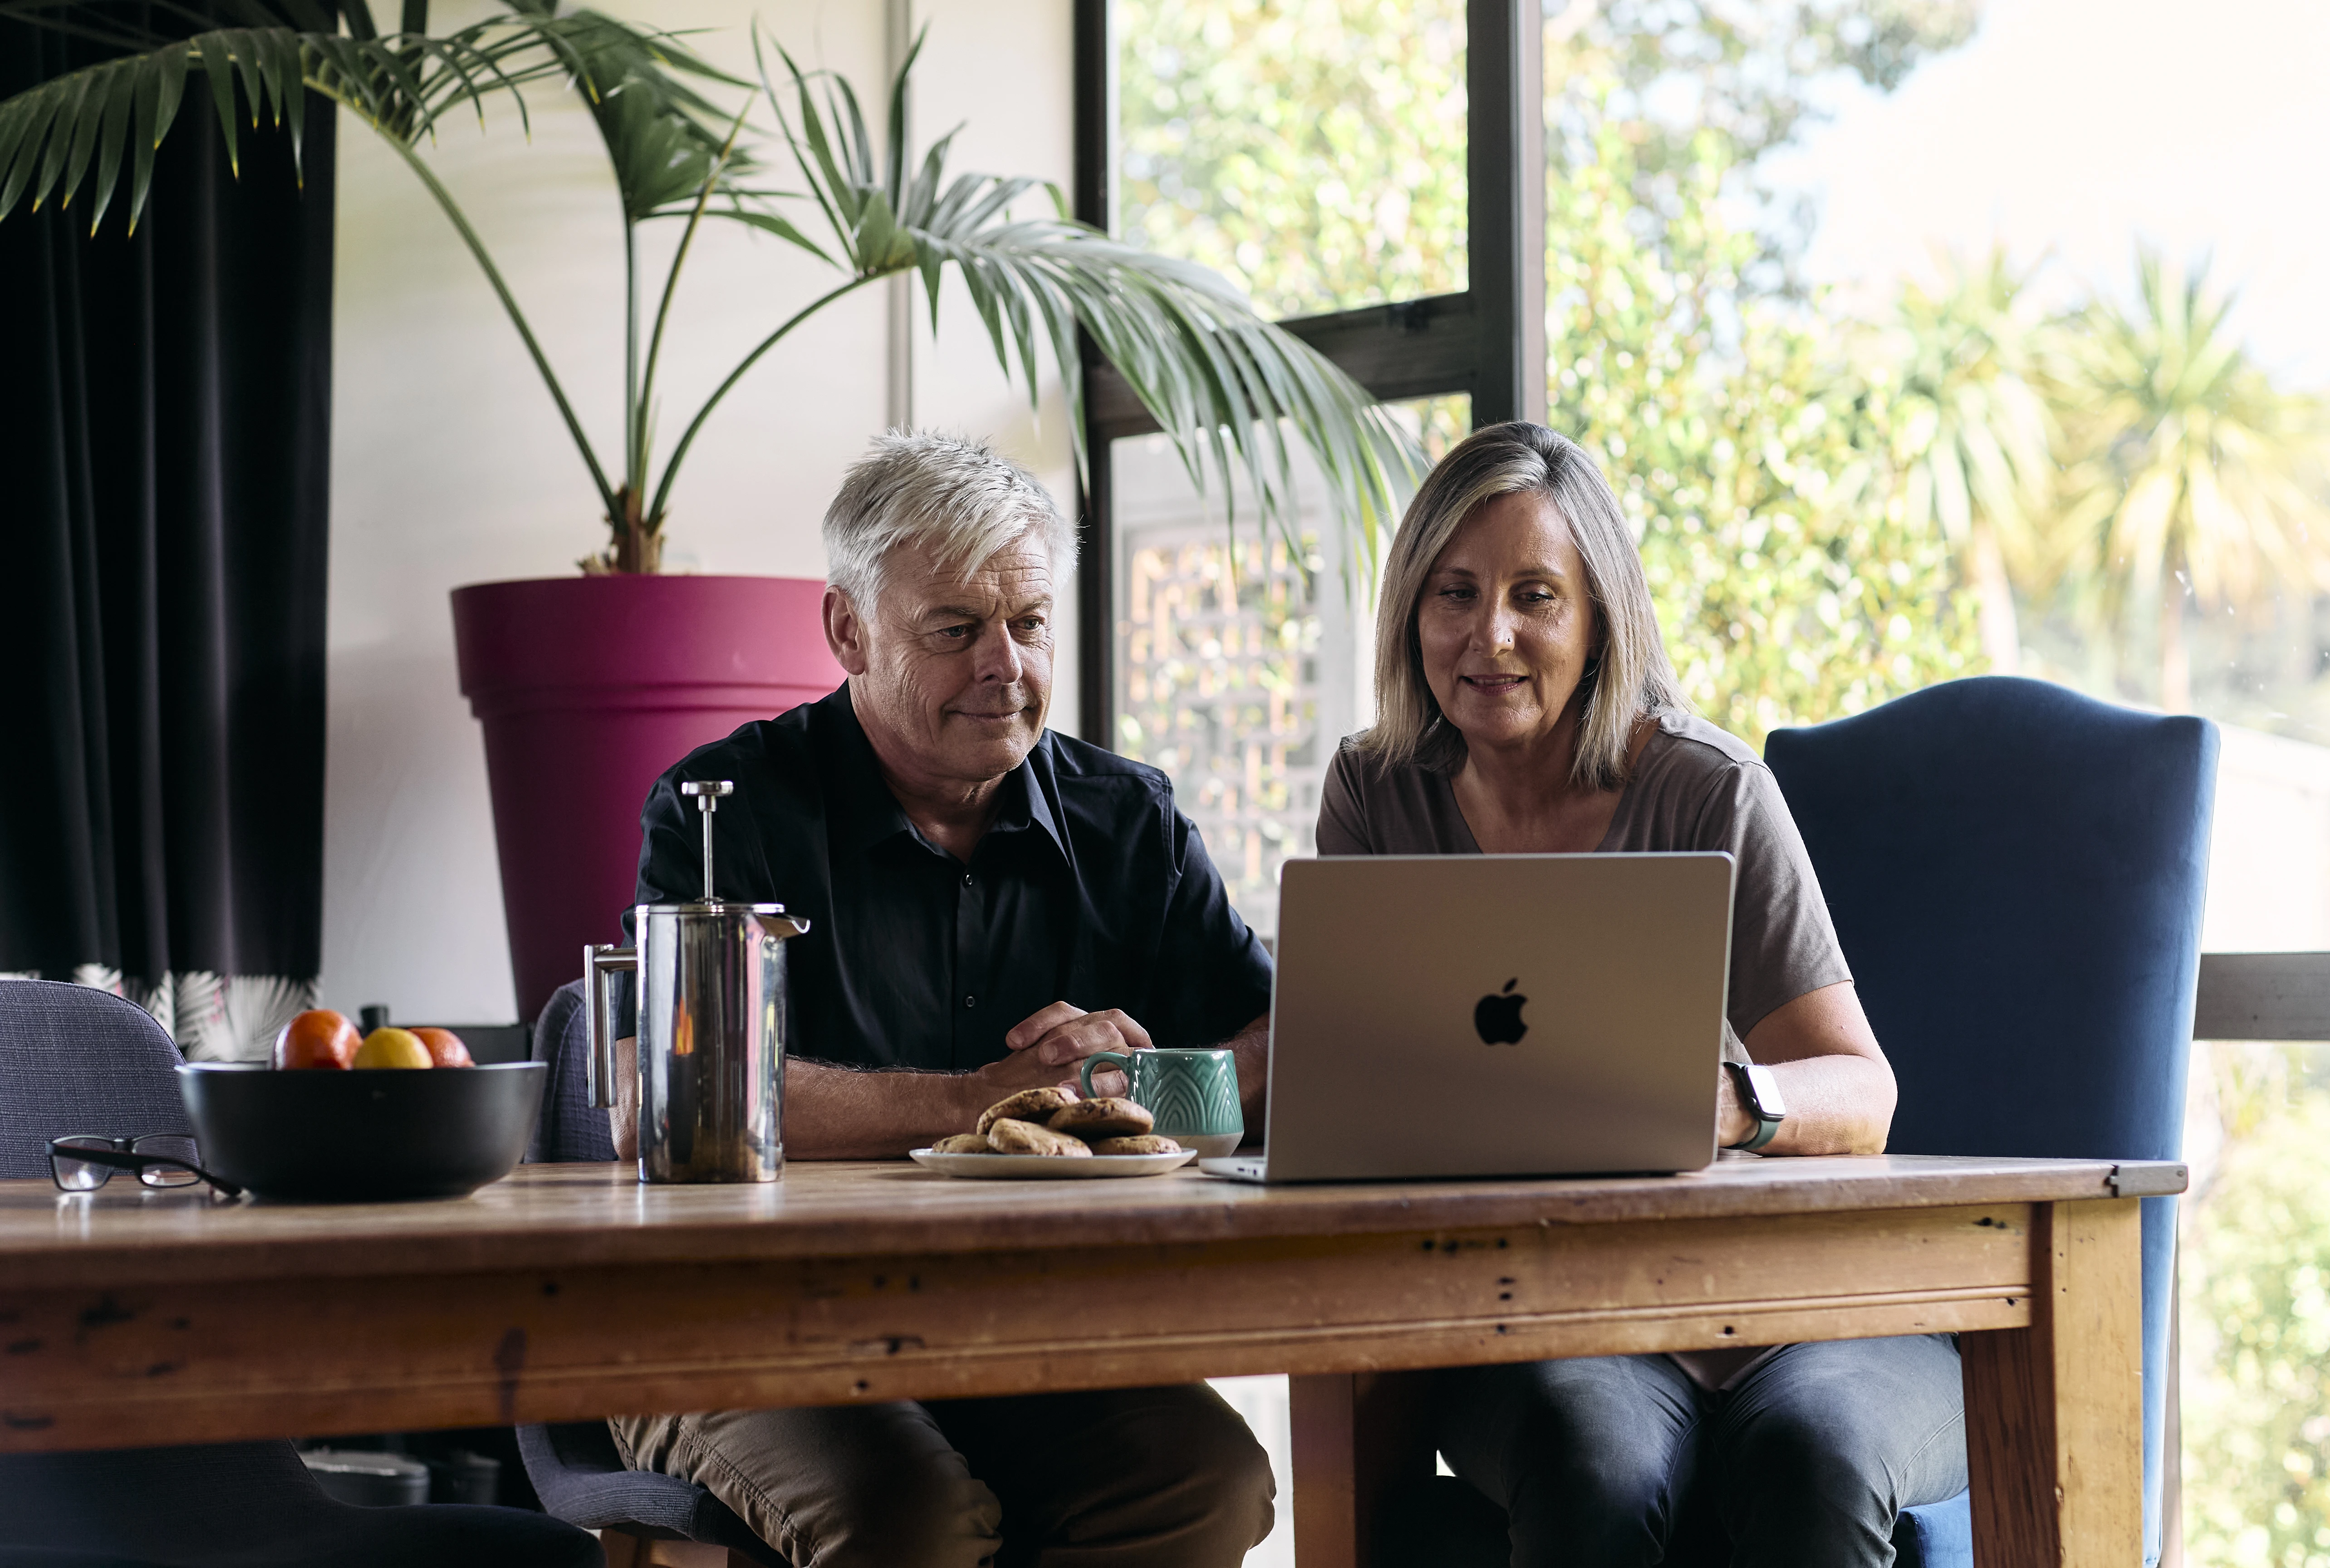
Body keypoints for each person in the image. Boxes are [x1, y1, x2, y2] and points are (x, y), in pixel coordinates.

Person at [606, 430, 1276, 1568]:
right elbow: (666, 1097)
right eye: (956, 630)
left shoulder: (1132, 821)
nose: (1004, 665)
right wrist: (984, 1098)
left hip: (1034, 1328)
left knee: (1205, 1484)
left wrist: (1120, 1087)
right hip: (738, 1323)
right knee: (910, 1523)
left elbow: (1270, 1034)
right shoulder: (724, 810)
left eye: (1028, 624)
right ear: (847, 631)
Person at [1316, 421, 1961, 1567]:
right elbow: (1349, 1068)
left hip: (1789, 1314)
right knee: (1590, 1468)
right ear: (1410, 610)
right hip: (1549, 1315)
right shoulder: (1376, 794)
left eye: (1536, 596)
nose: (1490, 636)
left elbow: (1864, 1091)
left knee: (1813, 1461)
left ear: (1599, 615)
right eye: (1454, 593)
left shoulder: (1709, 792)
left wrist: (1732, 1104)